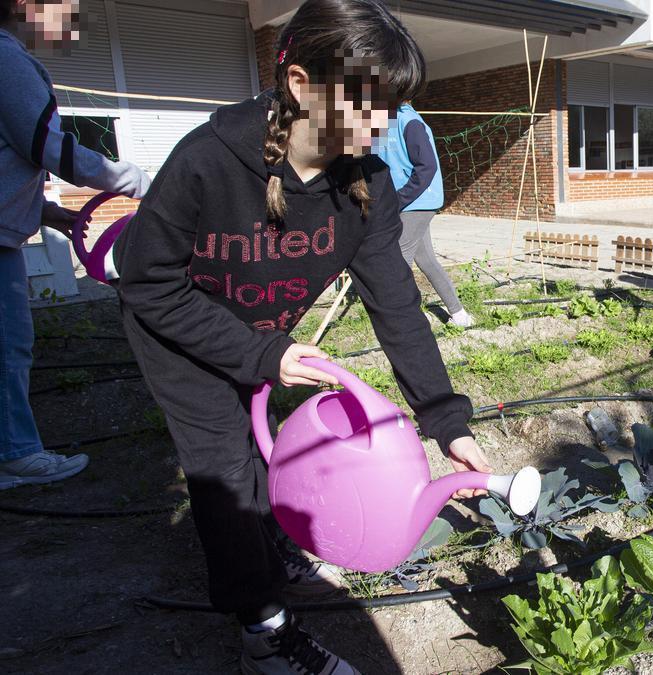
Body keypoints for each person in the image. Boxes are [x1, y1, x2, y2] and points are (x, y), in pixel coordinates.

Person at [112, 1, 493, 672]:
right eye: (368, 107)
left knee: (266, 448)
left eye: (393, 109)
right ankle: (264, 632)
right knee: (225, 469)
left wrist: (445, 419)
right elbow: (147, 283)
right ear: (299, 86)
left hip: (261, 333)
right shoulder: (207, 161)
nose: (382, 128)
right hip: (176, 328)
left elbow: (398, 308)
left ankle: (275, 536)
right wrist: (263, 352)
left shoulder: (366, 185)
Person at [0, 0, 150, 490]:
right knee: (8, 347)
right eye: (68, 7)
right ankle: (16, 454)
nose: (75, 17)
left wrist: (49, 213)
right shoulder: (7, 59)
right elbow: (49, 145)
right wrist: (133, 180)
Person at [378, 100, 473, 327]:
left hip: (418, 199)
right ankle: (459, 314)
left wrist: (400, 198)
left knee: (399, 259)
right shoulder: (380, 121)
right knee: (426, 259)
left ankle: (402, 321)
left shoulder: (409, 122)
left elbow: (427, 166)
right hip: (400, 199)